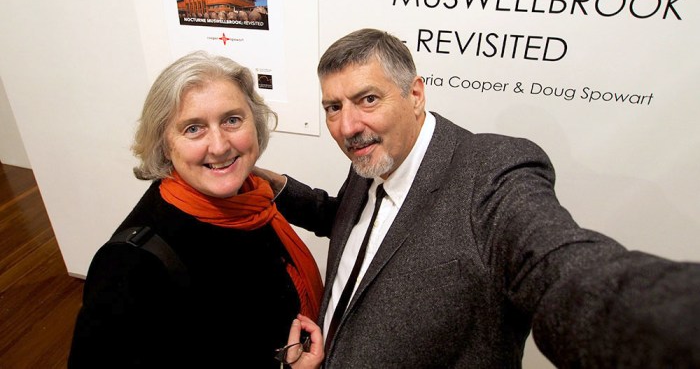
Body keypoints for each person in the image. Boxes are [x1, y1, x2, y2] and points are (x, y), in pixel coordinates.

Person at [257, 28, 700, 368]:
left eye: (367, 99)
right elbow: (354, 222)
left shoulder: (493, 172)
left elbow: (560, 271)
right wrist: (266, 182)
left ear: (415, 95)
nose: (348, 126)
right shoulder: (375, 154)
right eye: (333, 107)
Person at [68, 51, 323, 368]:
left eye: (232, 120)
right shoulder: (130, 265)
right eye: (193, 128)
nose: (219, 146)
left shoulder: (252, 200)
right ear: (165, 144)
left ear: (255, 124)